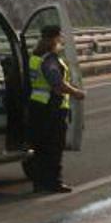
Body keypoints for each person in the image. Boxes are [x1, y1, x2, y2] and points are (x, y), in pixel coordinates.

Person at [27, 24, 86, 193]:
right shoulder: (50, 59)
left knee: (40, 148)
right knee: (54, 147)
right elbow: (57, 84)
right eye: (59, 37)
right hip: (51, 108)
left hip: (37, 107)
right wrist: (77, 93)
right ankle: (54, 183)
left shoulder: (35, 56)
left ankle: (39, 184)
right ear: (54, 39)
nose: (61, 40)